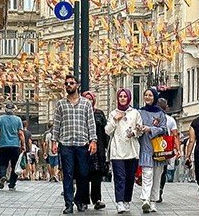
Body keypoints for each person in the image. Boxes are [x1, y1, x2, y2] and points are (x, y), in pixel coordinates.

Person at [50, 75, 99, 214]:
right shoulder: (60, 104)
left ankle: (79, 199)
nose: (68, 85)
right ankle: (68, 203)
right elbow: (56, 124)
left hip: (82, 143)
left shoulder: (86, 103)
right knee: (68, 174)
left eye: (71, 83)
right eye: (66, 83)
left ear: (77, 85)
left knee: (83, 174)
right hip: (66, 144)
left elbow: (91, 123)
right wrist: (54, 141)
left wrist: (93, 140)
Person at [106, 88, 142, 213]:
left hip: (132, 150)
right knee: (120, 177)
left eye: (124, 96)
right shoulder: (113, 113)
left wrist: (135, 132)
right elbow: (107, 130)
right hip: (117, 151)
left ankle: (127, 200)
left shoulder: (135, 113)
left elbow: (140, 130)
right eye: (120, 96)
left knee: (130, 178)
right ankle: (119, 201)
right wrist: (116, 119)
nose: (122, 98)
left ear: (129, 98)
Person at [137, 88, 169, 213]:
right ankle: (145, 200)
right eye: (146, 95)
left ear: (154, 97)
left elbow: (164, 129)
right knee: (147, 175)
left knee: (157, 176)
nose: (148, 97)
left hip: (158, 149)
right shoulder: (140, 112)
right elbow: (136, 126)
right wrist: (139, 129)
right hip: (145, 147)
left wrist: (150, 129)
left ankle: (153, 201)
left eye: (150, 95)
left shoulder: (160, 113)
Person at [80, 91, 110, 210]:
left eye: (90, 99)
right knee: (83, 174)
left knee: (97, 175)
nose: (89, 101)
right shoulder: (79, 113)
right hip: (83, 147)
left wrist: (106, 147)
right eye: (86, 99)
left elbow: (104, 131)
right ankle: (83, 200)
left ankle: (97, 199)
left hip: (98, 149)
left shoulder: (99, 114)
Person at [0, 103, 25, 191]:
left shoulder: (0, 119)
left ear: (5, 110)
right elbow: (20, 133)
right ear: (14, 110)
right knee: (15, 166)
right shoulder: (18, 119)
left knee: (3, 163)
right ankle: (12, 184)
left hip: (3, 145)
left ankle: (3, 176)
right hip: (15, 145)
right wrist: (23, 145)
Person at [156, 98, 179, 203]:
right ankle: (160, 189)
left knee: (154, 170)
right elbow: (175, 135)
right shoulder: (170, 120)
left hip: (153, 146)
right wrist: (178, 149)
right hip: (165, 147)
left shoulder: (154, 118)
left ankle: (154, 190)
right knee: (163, 171)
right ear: (166, 107)